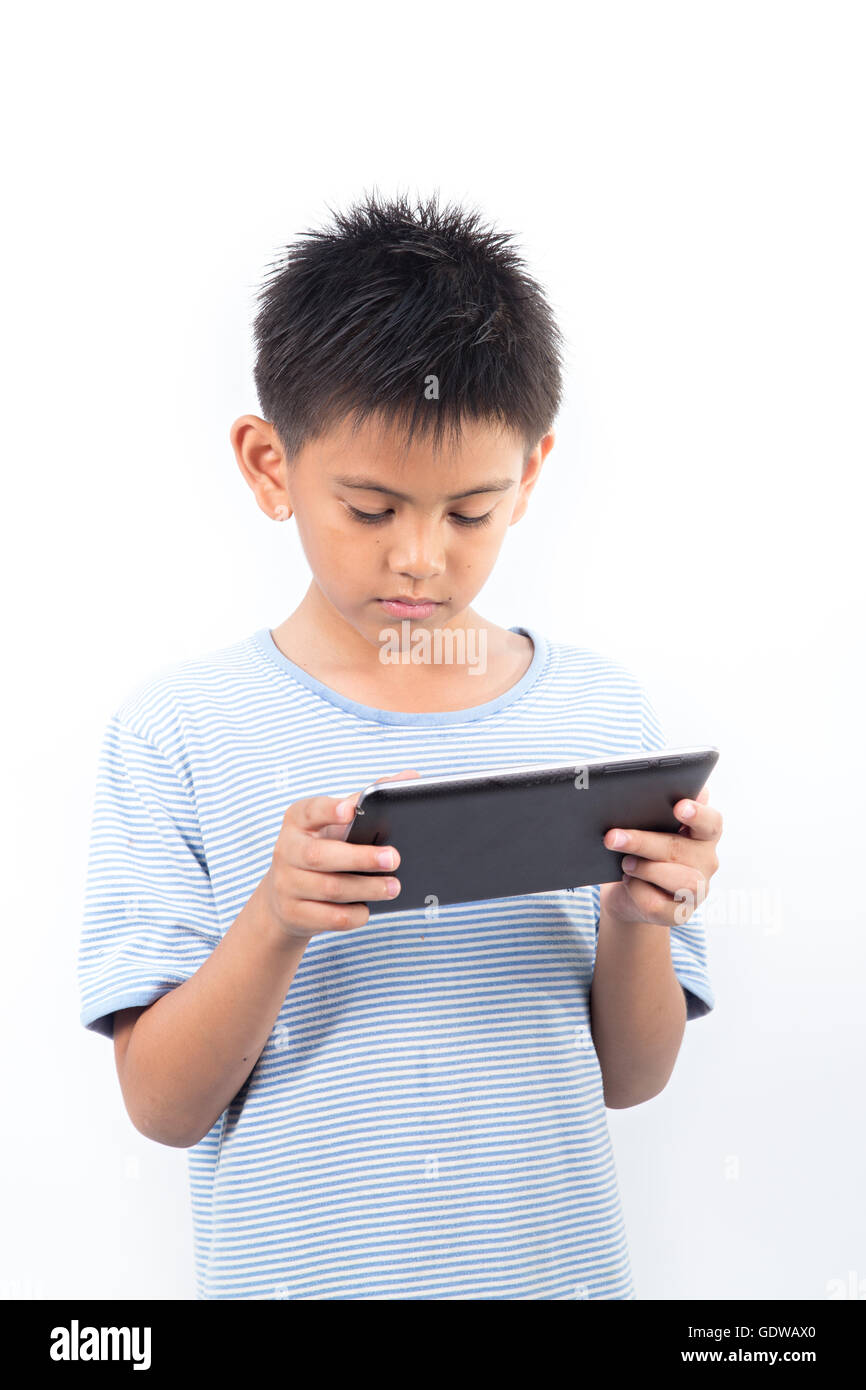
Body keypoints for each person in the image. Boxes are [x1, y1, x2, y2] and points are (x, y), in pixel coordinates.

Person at [78, 190, 723, 1300]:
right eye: (371, 509)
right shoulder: (177, 730)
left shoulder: (603, 717)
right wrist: (275, 921)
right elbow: (161, 1107)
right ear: (268, 464)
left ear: (529, 474)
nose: (420, 556)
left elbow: (632, 1077)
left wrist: (636, 918)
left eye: (467, 512)